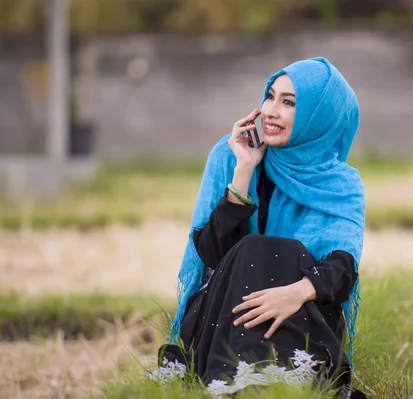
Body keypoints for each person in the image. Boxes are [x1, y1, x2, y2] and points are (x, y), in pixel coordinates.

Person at [152, 57, 367, 398]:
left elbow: (341, 271)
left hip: (301, 312)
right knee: (254, 247)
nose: (270, 110)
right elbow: (211, 255)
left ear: (319, 117)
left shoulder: (340, 185)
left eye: (289, 103)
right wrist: (244, 171)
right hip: (227, 311)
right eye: (270, 96)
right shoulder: (230, 156)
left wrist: (293, 293)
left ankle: (278, 379)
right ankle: (242, 377)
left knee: (284, 251)